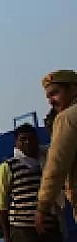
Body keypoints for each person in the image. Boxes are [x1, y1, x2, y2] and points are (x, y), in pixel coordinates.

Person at [39, 70, 77, 230]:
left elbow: (56, 166)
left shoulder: (67, 118)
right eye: (48, 96)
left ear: (73, 89)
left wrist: (43, 206)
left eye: (55, 93)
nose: (51, 102)